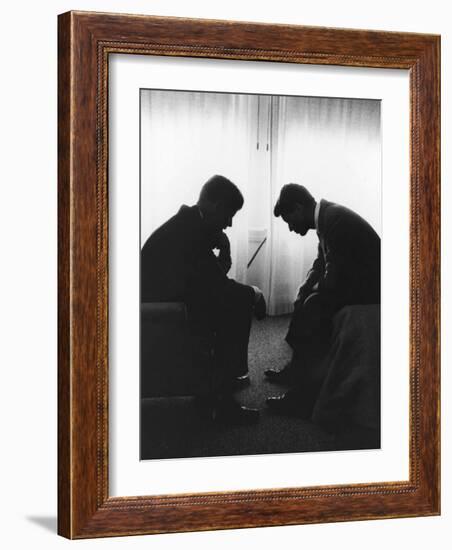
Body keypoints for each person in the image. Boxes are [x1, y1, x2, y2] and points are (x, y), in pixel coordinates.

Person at [141, 175, 266, 424]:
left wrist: (223, 253)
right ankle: (223, 399)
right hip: (162, 310)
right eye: (229, 215)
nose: (229, 224)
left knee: (233, 299)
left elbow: (207, 280)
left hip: (168, 300)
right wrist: (255, 293)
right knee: (240, 301)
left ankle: (219, 387)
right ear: (216, 206)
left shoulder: (189, 224)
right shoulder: (191, 233)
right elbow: (216, 286)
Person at [265, 183, 380, 417]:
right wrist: (306, 286)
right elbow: (322, 263)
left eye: (289, 221)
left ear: (298, 209)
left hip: (372, 288)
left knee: (313, 306)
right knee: (305, 298)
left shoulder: (335, 221)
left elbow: (334, 279)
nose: (290, 228)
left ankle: (303, 398)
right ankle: (297, 369)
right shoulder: (327, 218)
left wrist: (312, 291)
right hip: (356, 280)